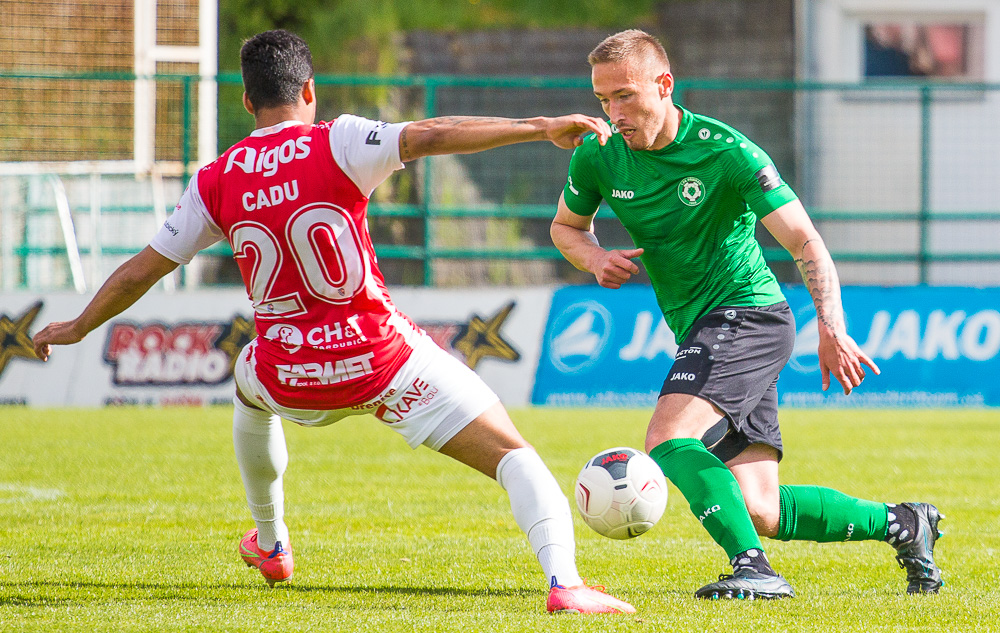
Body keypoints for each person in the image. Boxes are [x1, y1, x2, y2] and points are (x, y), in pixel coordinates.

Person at [32, 29, 634, 615]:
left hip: (288, 374)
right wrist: (539, 126)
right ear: (309, 90)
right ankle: (565, 583)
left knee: (246, 382)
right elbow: (431, 134)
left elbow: (144, 268)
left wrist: (79, 325)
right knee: (514, 457)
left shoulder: (216, 179)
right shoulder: (337, 142)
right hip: (383, 364)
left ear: (247, 101)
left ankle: (271, 541)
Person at [549, 29, 943, 600]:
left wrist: (832, 328)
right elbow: (566, 227)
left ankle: (753, 569)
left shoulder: (727, 152)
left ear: (664, 85)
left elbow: (805, 241)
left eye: (625, 96)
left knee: (668, 436)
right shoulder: (598, 155)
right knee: (760, 507)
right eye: (603, 99)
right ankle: (905, 523)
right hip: (699, 325)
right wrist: (594, 258)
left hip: (747, 315)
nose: (614, 113)